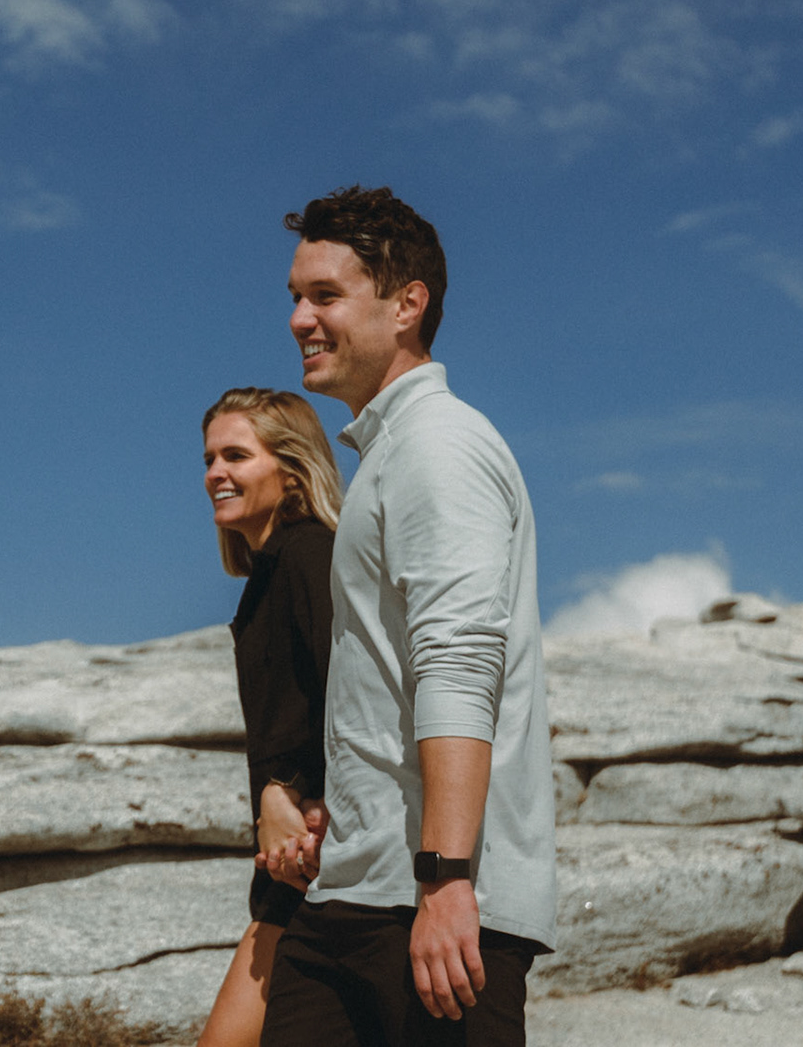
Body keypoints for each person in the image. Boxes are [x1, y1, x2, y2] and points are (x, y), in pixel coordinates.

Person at [260, 186, 556, 1047]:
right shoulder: (391, 456)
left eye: (324, 295)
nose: (298, 320)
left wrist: (447, 877)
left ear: (406, 305)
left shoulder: (439, 446)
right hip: (359, 894)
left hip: (429, 908)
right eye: (293, 297)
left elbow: (461, 664)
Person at [196, 387, 345, 1047]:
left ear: (290, 467)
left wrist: (295, 799)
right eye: (209, 459)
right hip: (290, 861)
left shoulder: (307, 555)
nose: (215, 475)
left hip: (324, 862)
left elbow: (355, 699)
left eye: (235, 455)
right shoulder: (268, 574)